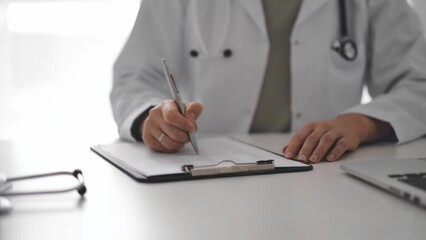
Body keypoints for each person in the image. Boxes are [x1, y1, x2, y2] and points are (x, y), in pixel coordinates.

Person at [111, 0, 426, 164]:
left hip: (324, 175)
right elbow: (134, 77)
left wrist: (359, 124)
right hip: (206, 175)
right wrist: (151, 119)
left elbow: (418, 84)